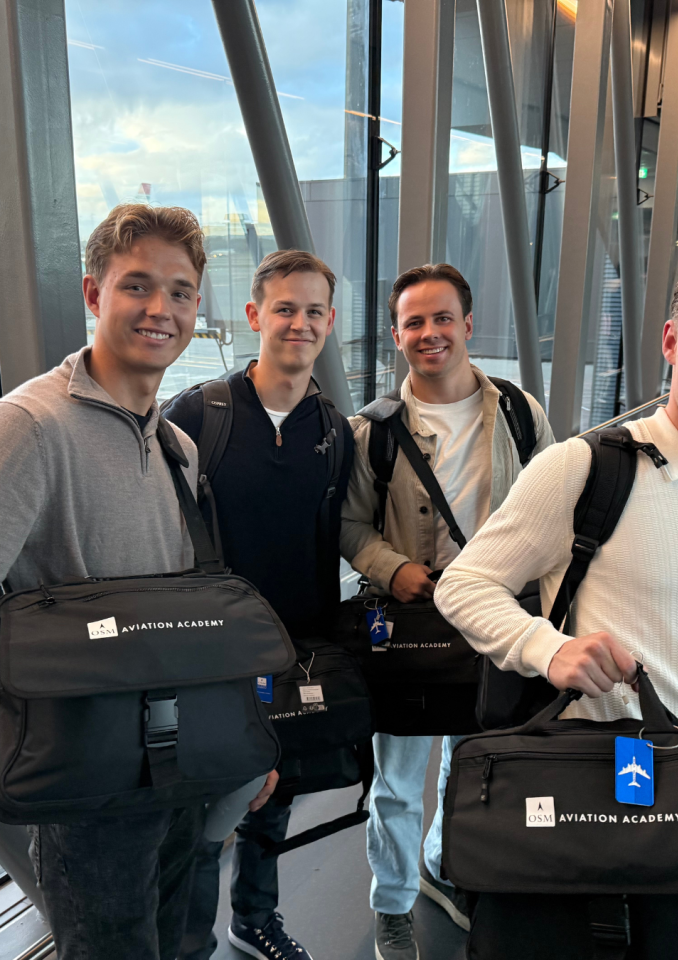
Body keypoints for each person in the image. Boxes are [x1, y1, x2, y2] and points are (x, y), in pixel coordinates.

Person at [434, 235, 678, 960]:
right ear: (672, 342)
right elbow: (465, 584)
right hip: (598, 810)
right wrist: (548, 650)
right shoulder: (585, 468)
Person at [0, 203, 275, 960]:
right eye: (138, 287)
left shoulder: (179, 445)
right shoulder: (32, 426)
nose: (162, 310)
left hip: (182, 761)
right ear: (93, 295)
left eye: (182, 292)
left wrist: (246, 741)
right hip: (89, 784)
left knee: (186, 941)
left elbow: (201, 621)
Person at [340, 263, 554, 960]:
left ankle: (440, 866)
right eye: (413, 322)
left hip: (494, 626)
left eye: (441, 319)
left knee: (473, 766)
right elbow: (349, 526)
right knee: (396, 781)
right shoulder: (372, 431)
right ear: (397, 334)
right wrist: (391, 567)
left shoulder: (521, 413)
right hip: (410, 630)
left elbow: (555, 511)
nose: (428, 334)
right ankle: (393, 902)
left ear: (467, 323)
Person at [166, 249, 354, 960]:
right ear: (254, 316)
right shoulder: (199, 414)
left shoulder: (334, 432)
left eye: (313, 312)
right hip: (211, 654)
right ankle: (187, 941)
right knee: (201, 809)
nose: (299, 323)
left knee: (275, 795)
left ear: (330, 323)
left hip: (293, 648)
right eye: (285, 308)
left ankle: (255, 918)